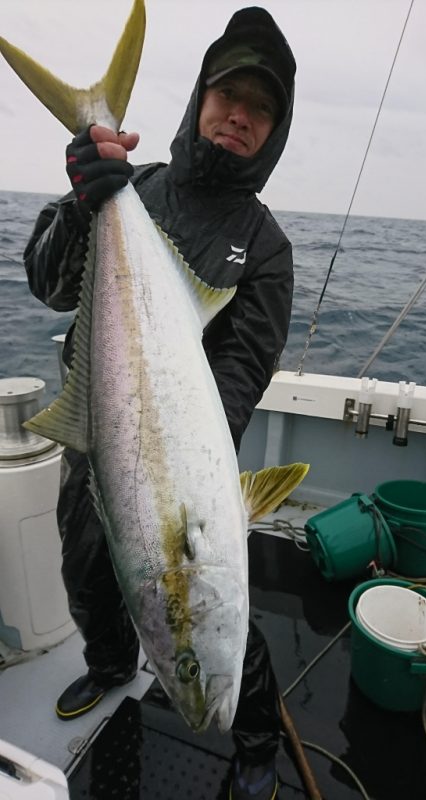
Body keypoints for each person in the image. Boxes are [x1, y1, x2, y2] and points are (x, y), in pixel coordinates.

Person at [24, 8, 296, 800]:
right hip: (93, 433)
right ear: (201, 99)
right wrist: (81, 200)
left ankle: (254, 739)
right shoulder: (131, 187)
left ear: (275, 129)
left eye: (260, 108)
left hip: (186, 472)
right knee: (86, 575)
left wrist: (194, 470)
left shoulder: (265, 246)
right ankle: (111, 667)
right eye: (228, 95)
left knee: (227, 625)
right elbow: (45, 286)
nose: (239, 115)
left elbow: (245, 371)